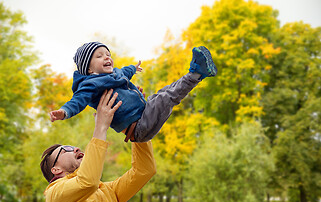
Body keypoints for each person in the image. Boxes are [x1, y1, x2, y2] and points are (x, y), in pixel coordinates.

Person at [40, 89, 157, 202]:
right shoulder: (54, 194)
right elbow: (88, 182)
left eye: (73, 146)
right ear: (55, 169)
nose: (75, 148)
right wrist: (101, 125)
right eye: (65, 150)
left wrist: (135, 126)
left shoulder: (107, 191)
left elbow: (144, 170)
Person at [50, 42, 217, 142]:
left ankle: (197, 72)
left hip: (144, 111)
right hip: (138, 128)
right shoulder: (90, 84)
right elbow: (77, 101)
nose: (107, 57)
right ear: (89, 69)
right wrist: (64, 112)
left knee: (163, 92)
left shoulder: (114, 73)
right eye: (99, 56)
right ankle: (196, 73)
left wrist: (134, 68)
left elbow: (125, 71)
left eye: (108, 54)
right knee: (168, 97)